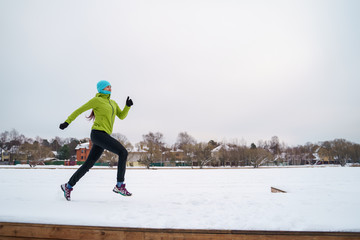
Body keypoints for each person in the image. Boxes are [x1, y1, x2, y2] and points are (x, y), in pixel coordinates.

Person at [59, 80, 133, 201]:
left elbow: (121, 116)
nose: (110, 88)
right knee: (123, 152)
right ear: (101, 88)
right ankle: (119, 185)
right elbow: (79, 110)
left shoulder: (113, 103)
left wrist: (127, 106)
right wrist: (67, 122)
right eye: (107, 86)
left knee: (88, 164)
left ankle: (68, 186)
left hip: (104, 135)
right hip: (97, 134)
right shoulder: (96, 100)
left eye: (111, 86)